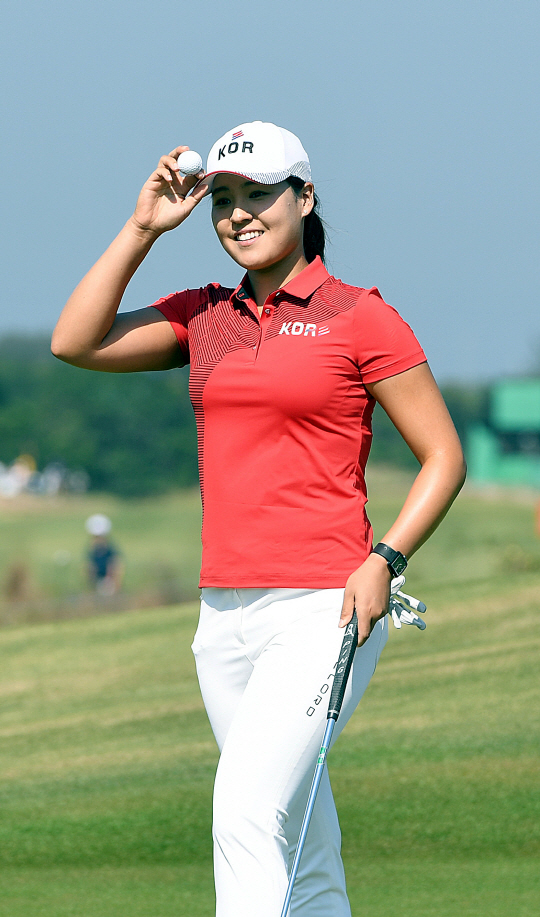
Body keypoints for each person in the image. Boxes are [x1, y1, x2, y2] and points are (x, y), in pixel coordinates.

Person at [52, 120, 466, 917]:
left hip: (323, 606)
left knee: (244, 810)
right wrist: (144, 227)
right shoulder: (204, 316)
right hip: (224, 616)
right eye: (224, 201)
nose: (239, 215)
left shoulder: (360, 316)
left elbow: (443, 456)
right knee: (298, 842)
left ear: (304, 198)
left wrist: (387, 558)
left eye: (259, 196)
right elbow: (76, 340)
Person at [85, 513, 123, 595]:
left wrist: (116, 584)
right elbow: (89, 569)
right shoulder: (92, 551)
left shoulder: (110, 550)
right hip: (97, 584)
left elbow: (117, 567)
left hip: (109, 583)